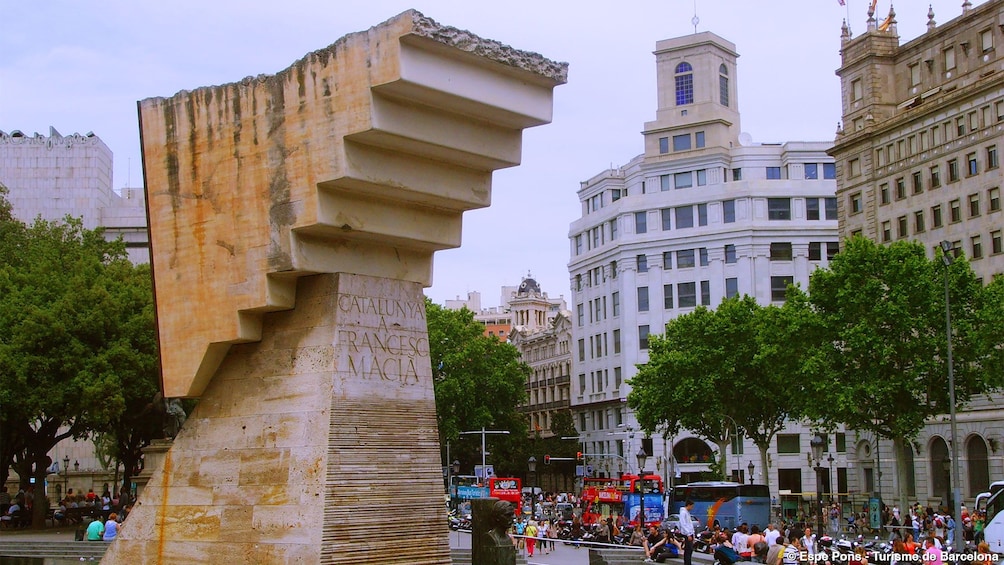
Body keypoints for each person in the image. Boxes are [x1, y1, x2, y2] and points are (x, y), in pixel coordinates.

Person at [679, 499, 696, 565]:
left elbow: (690, 524)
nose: (692, 508)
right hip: (687, 533)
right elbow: (683, 524)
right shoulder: (683, 512)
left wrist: (693, 534)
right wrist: (688, 534)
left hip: (690, 533)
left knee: (689, 550)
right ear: (688, 505)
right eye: (692, 506)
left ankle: (688, 563)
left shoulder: (687, 513)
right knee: (688, 549)